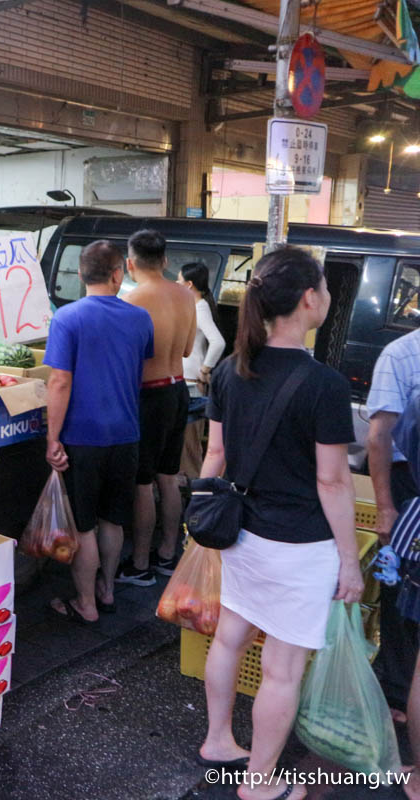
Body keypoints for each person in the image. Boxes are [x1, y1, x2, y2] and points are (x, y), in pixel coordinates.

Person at [197, 247, 363, 800]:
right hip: (299, 545)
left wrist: (200, 518)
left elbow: (214, 456)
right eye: (324, 288)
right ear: (310, 299)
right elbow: (333, 483)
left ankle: (219, 740)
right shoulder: (324, 385)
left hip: (241, 534)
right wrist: (348, 560)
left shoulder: (229, 370)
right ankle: (260, 783)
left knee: (230, 638)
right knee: (282, 669)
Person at [44, 240, 154, 623]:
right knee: (113, 520)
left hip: (82, 437)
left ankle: (86, 604)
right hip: (127, 434)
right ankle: (107, 590)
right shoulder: (140, 318)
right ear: (118, 273)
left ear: (79, 274)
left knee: (84, 526)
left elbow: (59, 382)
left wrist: (52, 438)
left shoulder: (67, 318)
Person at [116, 230, 197, 586]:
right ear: (165, 261)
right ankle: (167, 555)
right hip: (178, 390)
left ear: (130, 264)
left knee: (142, 481)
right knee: (168, 476)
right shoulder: (186, 296)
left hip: (148, 396)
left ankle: (139, 563)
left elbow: (124, 360)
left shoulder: (132, 301)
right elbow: (187, 351)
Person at [366, 327, 420, 758]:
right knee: (401, 590)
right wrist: (385, 505)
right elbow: (379, 436)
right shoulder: (401, 355)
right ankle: (398, 690)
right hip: (408, 484)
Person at [179, 262, 227, 479]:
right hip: (187, 381)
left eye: (179, 280)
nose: (176, 284)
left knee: (190, 445)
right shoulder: (194, 305)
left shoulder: (200, 307)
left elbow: (218, 342)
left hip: (191, 383)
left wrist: (205, 369)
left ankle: (196, 493)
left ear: (189, 285)